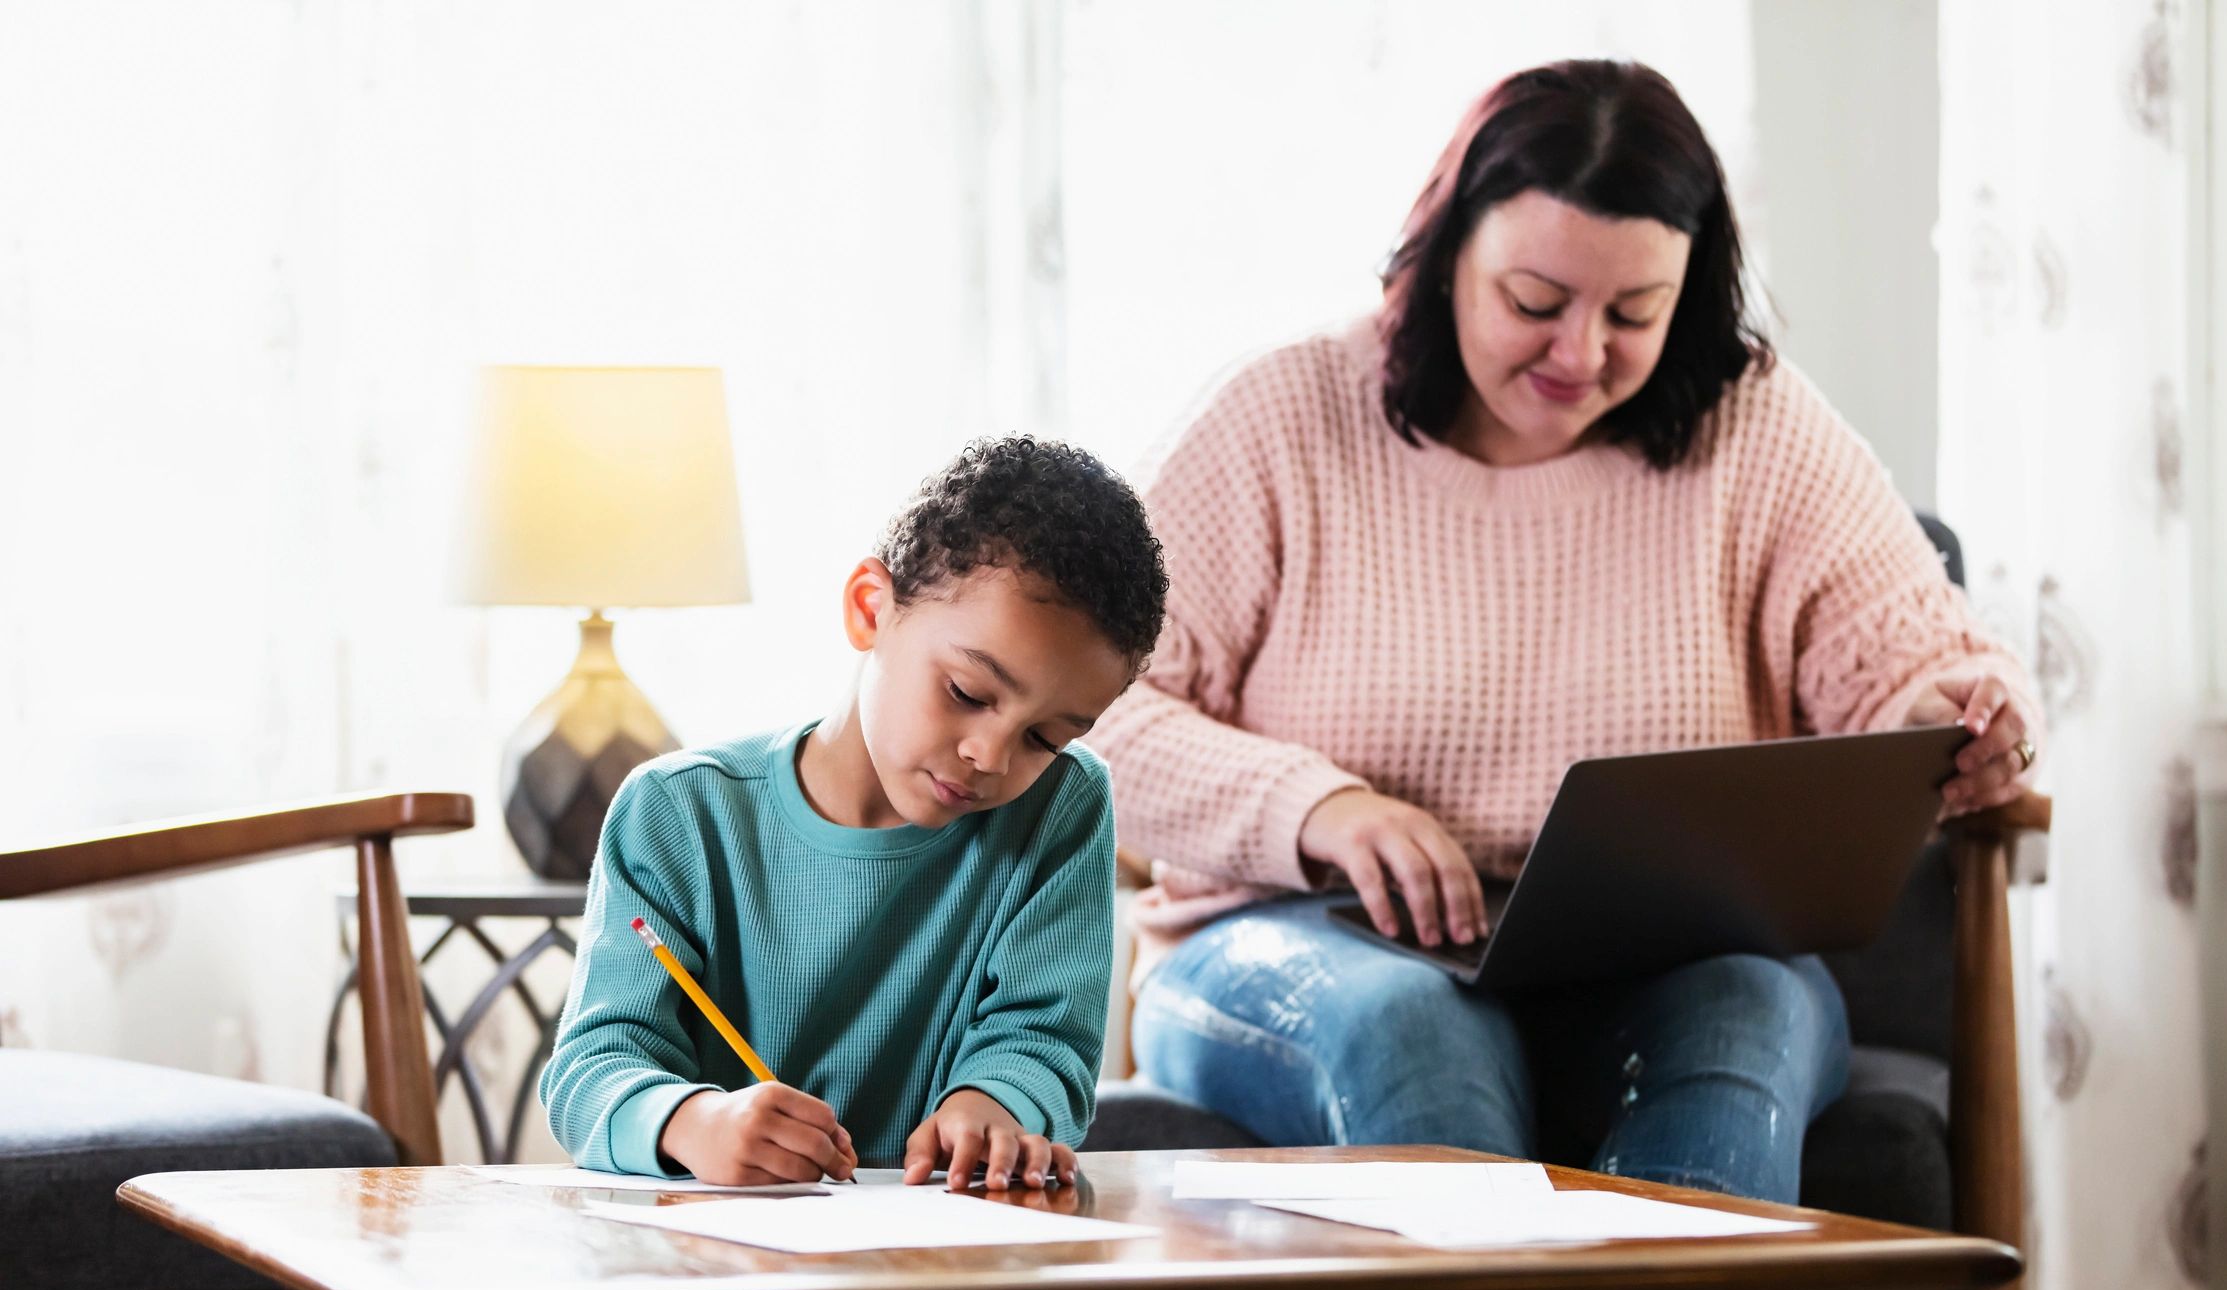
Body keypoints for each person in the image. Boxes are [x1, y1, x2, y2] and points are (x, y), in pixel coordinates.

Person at [1084, 60, 2042, 1204]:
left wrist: (1957, 720)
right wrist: (1318, 807)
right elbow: (1084, 709)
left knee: (1746, 1011)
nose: (1580, 354)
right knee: (1416, 1029)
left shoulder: (1758, 430)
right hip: (1298, 948)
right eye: (1535, 302)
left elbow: (1920, 670)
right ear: (1443, 261)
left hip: (1668, 968)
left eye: (1636, 312)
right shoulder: (1281, 420)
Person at [542, 435, 1168, 1191]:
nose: (992, 757)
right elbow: (592, 1065)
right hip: (711, 1264)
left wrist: (994, 1103)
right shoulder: (677, 812)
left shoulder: (1059, 806)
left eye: (1045, 737)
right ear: (871, 609)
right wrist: (692, 1123)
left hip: (941, 1259)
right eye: (967, 694)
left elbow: (1043, 1039)